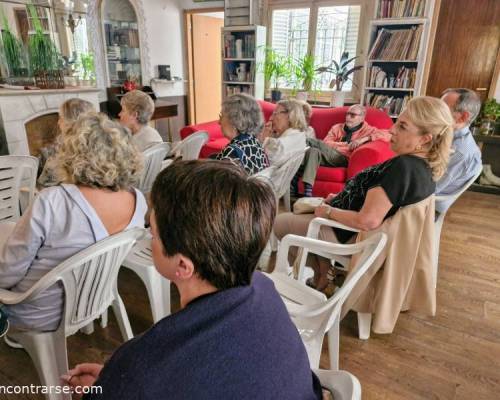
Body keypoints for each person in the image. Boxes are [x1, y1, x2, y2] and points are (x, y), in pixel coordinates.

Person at [63, 160, 323, 400]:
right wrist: (115, 384)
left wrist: (115, 386)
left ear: (183, 265)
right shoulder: (263, 287)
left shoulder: (144, 365)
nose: (148, 238)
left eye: (152, 233)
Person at [275, 96, 454, 291]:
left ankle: (313, 278)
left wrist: (328, 212)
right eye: (396, 123)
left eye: (402, 127)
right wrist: (339, 200)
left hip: (348, 234)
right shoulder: (422, 166)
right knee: (301, 213)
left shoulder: (403, 167)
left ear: (425, 138)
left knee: (279, 224)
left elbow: (367, 221)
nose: (392, 130)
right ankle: (324, 274)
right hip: (347, 225)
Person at [0, 113, 146, 332]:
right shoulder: (136, 198)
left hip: (39, 311)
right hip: (94, 298)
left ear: (72, 154)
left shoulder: (52, 201)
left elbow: (8, 273)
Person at [296, 104, 391, 197]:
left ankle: (293, 145)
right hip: (330, 156)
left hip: (345, 159)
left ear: (362, 118)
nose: (348, 117)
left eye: (352, 115)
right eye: (347, 114)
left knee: (309, 141)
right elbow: (326, 143)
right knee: (313, 151)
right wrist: (346, 145)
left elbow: (389, 135)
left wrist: (364, 139)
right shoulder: (337, 127)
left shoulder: (368, 130)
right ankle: (307, 192)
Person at [436, 88, 482, 213]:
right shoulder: (447, 132)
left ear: (462, 117)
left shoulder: (461, 152)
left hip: (430, 206)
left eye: (443, 109)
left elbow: (431, 188)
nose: (436, 112)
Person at [38, 98, 95, 187]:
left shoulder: (61, 152)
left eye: (61, 118)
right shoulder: (102, 146)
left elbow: (44, 184)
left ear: (71, 122)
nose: (58, 122)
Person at [215, 93, 270, 175]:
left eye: (221, 116)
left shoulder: (232, 152)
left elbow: (221, 186)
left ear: (234, 120)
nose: (219, 122)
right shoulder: (255, 142)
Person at [261, 99, 308, 166]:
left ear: (289, 116)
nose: (271, 118)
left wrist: (264, 139)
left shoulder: (281, 145)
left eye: (275, 113)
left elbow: (264, 162)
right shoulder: (298, 136)